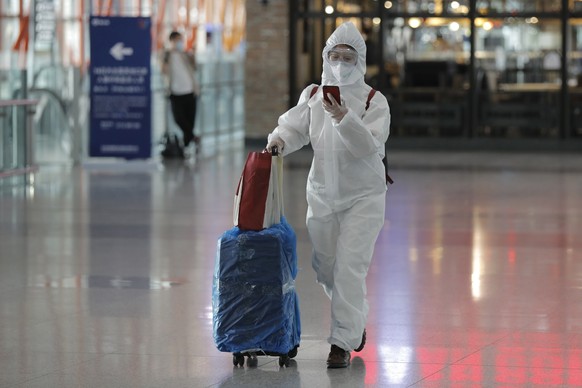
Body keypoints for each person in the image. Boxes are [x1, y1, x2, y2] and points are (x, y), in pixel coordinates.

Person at [265, 22, 390, 368]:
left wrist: (344, 117)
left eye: (347, 57)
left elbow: (368, 147)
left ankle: (342, 341)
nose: (340, 62)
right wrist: (279, 140)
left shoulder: (373, 101)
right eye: (334, 55)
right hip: (322, 195)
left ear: (360, 61)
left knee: (350, 268)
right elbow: (293, 127)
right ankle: (354, 321)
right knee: (326, 267)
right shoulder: (314, 96)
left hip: (363, 197)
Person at [161, 31, 200, 156]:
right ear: (171, 41)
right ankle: (193, 138)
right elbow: (163, 70)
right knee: (179, 119)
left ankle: (187, 146)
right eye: (177, 40)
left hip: (189, 91)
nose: (180, 43)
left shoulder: (185, 54)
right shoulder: (166, 55)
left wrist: (193, 54)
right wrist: (166, 56)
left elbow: (194, 67)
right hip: (175, 93)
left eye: (181, 40)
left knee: (190, 120)